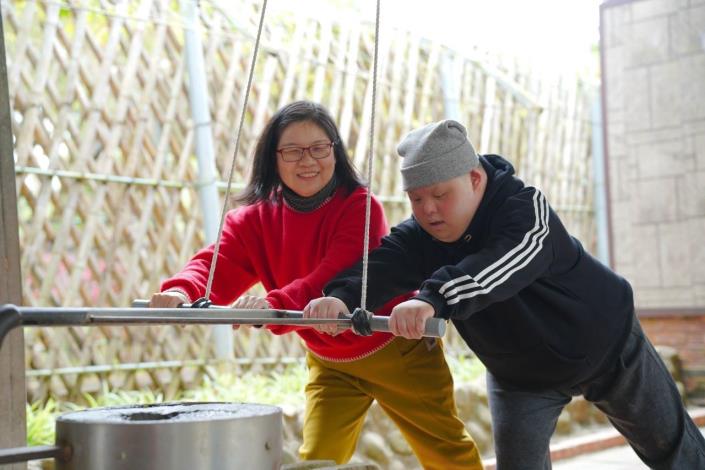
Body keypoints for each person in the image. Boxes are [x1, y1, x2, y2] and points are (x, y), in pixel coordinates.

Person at [307, 119, 705, 470]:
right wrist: (341, 297)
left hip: (606, 344)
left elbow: (498, 266)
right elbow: (384, 263)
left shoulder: (526, 209)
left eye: (440, 195)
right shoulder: (423, 234)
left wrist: (433, 298)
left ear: (475, 179)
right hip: (521, 377)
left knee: (674, 452)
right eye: (417, 198)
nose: (428, 210)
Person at [149, 103, 483, 469]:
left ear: (335, 153)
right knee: (317, 461)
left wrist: (271, 305)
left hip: (395, 350)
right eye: (292, 151)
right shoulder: (252, 220)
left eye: (319, 148)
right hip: (330, 360)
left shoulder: (361, 207)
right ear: (272, 159)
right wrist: (183, 291)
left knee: (448, 454)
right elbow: (215, 265)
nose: (307, 160)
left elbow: (331, 280)